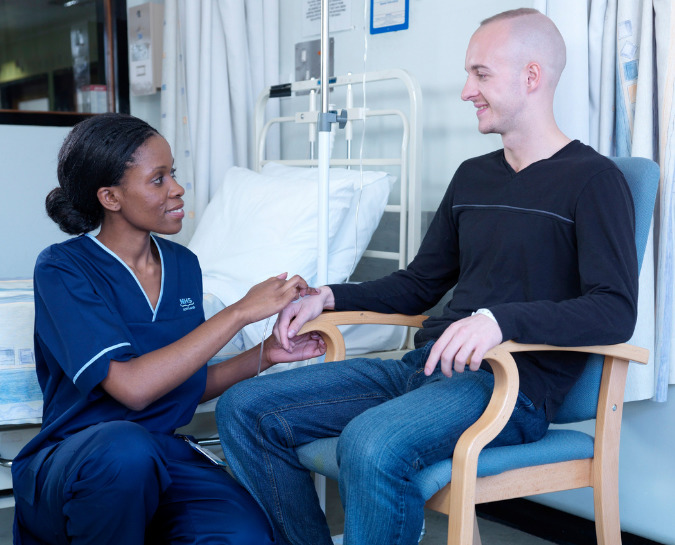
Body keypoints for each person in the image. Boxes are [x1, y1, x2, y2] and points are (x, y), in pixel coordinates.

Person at [216, 8, 639, 545]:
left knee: (370, 444)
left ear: (531, 77)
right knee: (245, 408)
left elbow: (614, 310)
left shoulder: (594, 180)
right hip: (425, 368)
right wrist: (326, 296)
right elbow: (419, 284)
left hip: (509, 387)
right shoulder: (473, 176)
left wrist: (498, 322)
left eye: (481, 74)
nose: (467, 91)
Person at [11, 113, 325, 545]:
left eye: (172, 174)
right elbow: (134, 388)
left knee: (245, 535)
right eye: (158, 179)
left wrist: (265, 354)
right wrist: (238, 313)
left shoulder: (183, 265)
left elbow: (181, 383)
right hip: (77, 460)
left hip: (161, 452)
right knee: (125, 451)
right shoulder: (63, 268)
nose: (177, 188)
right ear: (111, 197)